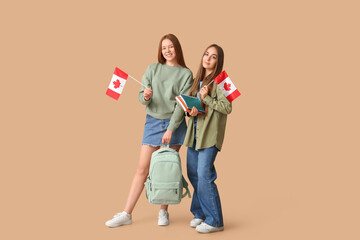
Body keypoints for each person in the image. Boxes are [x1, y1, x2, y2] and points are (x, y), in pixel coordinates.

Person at [105, 34, 193, 227]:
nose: (167, 50)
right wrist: (145, 96)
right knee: (142, 169)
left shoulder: (186, 74)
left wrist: (170, 128)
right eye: (163, 48)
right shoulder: (152, 69)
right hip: (152, 123)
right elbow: (140, 98)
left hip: (175, 125)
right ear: (160, 51)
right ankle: (126, 214)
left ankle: (163, 212)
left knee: (167, 170)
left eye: (170, 46)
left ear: (177, 48)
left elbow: (182, 105)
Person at [183, 44, 231, 233]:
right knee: (193, 174)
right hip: (194, 134)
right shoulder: (197, 81)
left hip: (210, 137)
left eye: (213, 57)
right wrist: (192, 110)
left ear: (218, 62)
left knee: (204, 176)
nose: (208, 59)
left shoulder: (222, 80)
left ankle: (215, 221)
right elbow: (196, 109)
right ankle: (200, 213)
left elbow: (227, 108)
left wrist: (207, 99)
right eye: (206, 54)